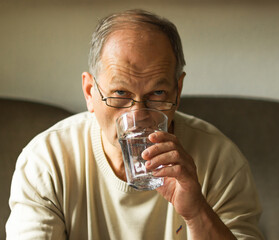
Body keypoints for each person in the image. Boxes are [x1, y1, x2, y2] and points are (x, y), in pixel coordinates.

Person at [6, 9, 264, 240]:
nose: (139, 114)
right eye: (120, 93)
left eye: (157, 93)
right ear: (89, 92)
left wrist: (197, 212)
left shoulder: (220, 158)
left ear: (178, 91)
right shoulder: (47, 160)